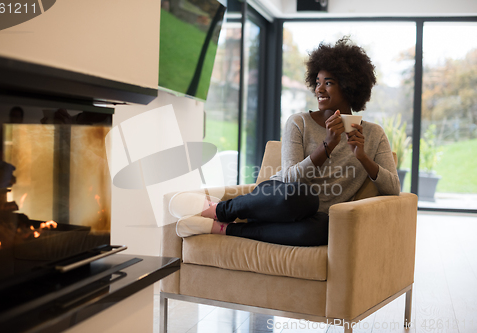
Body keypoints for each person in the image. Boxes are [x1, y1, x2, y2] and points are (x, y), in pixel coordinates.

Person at [169, 37, 400, 246]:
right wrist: (327, 145)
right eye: (317, 82)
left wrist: (362, 157)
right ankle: (217, 210)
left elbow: (393, 188)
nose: (319, 89)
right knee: (304, 198)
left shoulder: (373, 134)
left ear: (350, 87)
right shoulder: (299, 122)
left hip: (314, 218)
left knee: (320, 230)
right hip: (280, 199)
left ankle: (224, 229)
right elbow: (290, 178)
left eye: (328, 83)